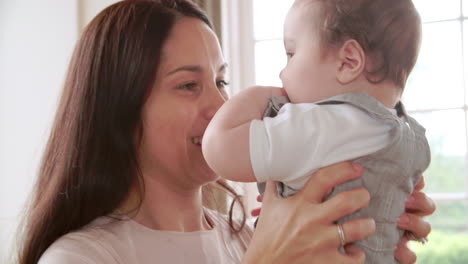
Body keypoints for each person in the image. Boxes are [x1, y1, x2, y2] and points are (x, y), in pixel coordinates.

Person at [14, 0, 433, 264]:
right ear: (119, 110)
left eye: (221, 82)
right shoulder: (81, 258)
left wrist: (375, 215)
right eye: (187, 85)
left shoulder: (246, 236)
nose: (219, 106)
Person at [202, 0, 431, 263]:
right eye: (187, 85)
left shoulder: (322, 125)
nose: (282, 73)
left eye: (290, 54)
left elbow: (219, 148)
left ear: (348, 62)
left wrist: (258, 98)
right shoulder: (406, 135)